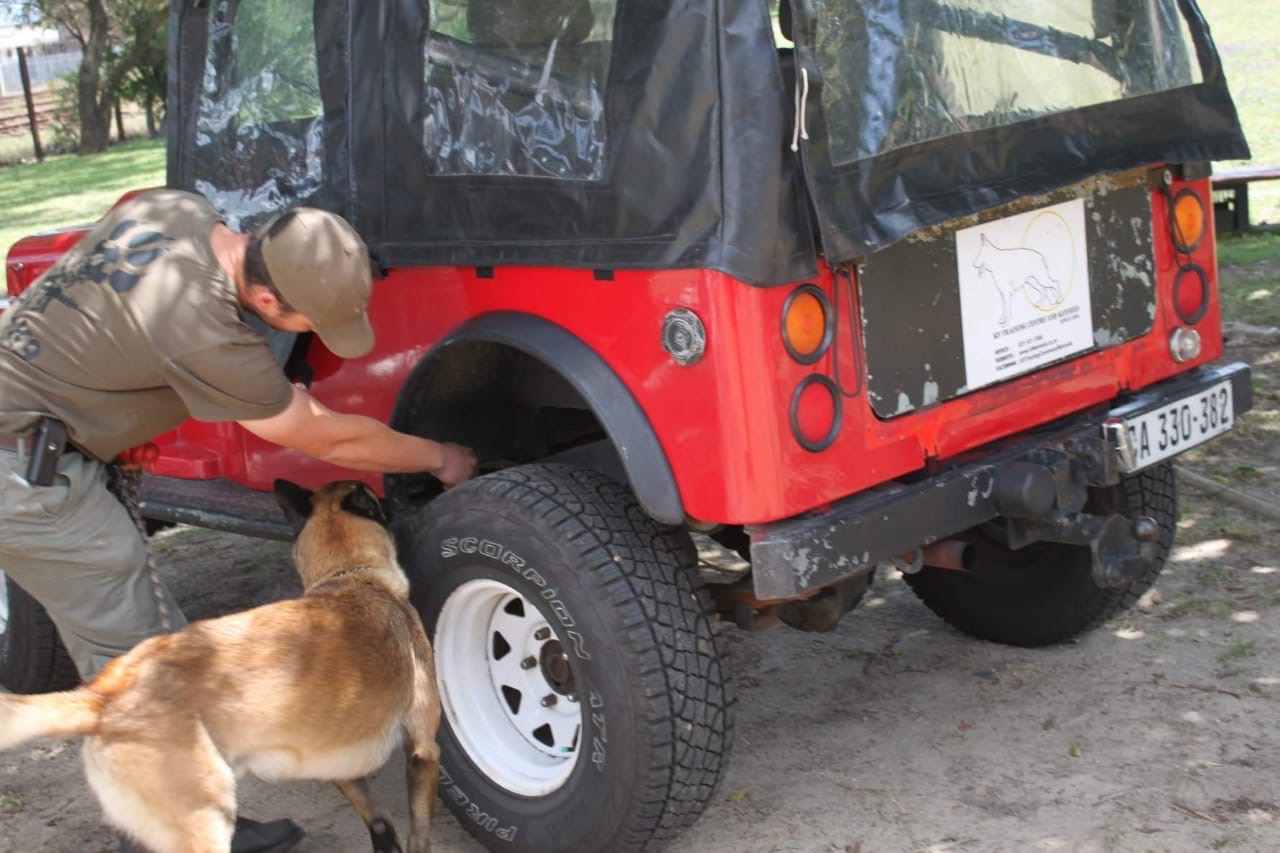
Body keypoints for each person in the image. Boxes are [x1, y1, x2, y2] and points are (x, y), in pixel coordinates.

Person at [0, 189, 477, 852]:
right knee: (143, 665)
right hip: (27, 478)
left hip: (36, 435)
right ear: (268, 304)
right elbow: (333, 442)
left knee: (163, 657)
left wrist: (106, 411)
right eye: (310, 324)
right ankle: (170, 828)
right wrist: (442, 456)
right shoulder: (206, 329)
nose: (312, 339)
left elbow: (111, 316)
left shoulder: (176, 211)